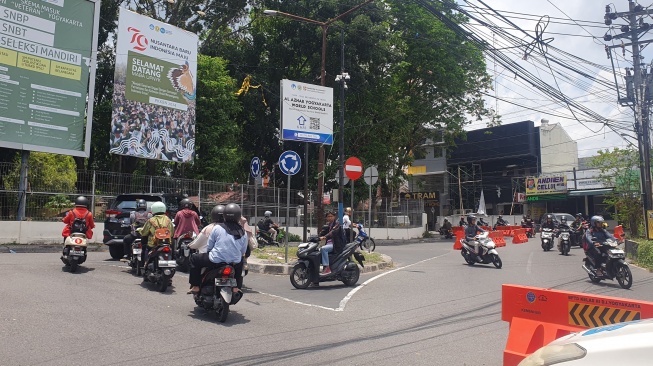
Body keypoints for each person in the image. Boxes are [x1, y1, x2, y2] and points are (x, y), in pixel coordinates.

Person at [188, 203, 247, 294]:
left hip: (215, 259)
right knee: (240, 263)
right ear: (239, 216)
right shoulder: (243, 232)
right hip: (234, 262)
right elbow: (243, 250)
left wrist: (210, 253)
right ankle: (236, 287)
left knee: (194, 259)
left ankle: (195, 286)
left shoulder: (217, 228)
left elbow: (210, 245)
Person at [139, 202, 174, 268]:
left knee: (144, 249)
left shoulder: (151, 220)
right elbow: (171, 233)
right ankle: (172, 261)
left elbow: (144, 233)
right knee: (172, 251)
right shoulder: (168, 220)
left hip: (153, 244)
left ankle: (144, 265)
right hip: (166, 243)